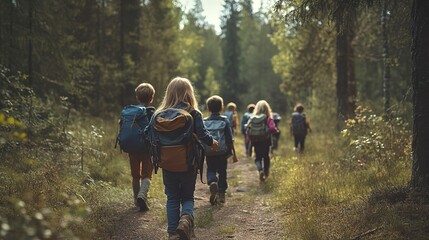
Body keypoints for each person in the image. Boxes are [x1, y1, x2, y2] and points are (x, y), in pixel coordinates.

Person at [150, 77, 219, 240]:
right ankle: (186, 221)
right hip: (188, 163)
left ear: (169, 93)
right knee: (188, 196)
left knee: (172, 197)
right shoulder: (193, 113)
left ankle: (172, 232)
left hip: (167, 163)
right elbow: (202, 134)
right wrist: (213, 142)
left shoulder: (157, 115)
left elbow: (149, 136)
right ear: (189, 93)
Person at [124, 83, 156, 212]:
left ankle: (136, 201)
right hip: (147, 148)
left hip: (132, 148)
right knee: (146, 175)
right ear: (152, 97)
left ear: (137, 97)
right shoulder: (152, 112)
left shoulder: (129, 111)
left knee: (135, 175)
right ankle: (142, 195)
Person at [204, 95, 234, 205]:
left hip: (209, 152)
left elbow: (202, 137)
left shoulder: (205, 121)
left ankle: (212, 181)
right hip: (222, 152)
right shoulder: (224, 120)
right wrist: (230, 149)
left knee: (210, 169)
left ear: (208, 108)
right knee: (222, 171)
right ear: (221, 108)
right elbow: (229, 137)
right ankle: (221, 194)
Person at [248, 100, 279, 182]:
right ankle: (266, 172)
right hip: (265, 140)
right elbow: (272, 128)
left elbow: (247, 129)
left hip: (255, 140)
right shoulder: (268, 118)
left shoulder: (252, 118)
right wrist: (275, 131)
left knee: (257, 157)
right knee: (266, 156)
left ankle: (260, 170)